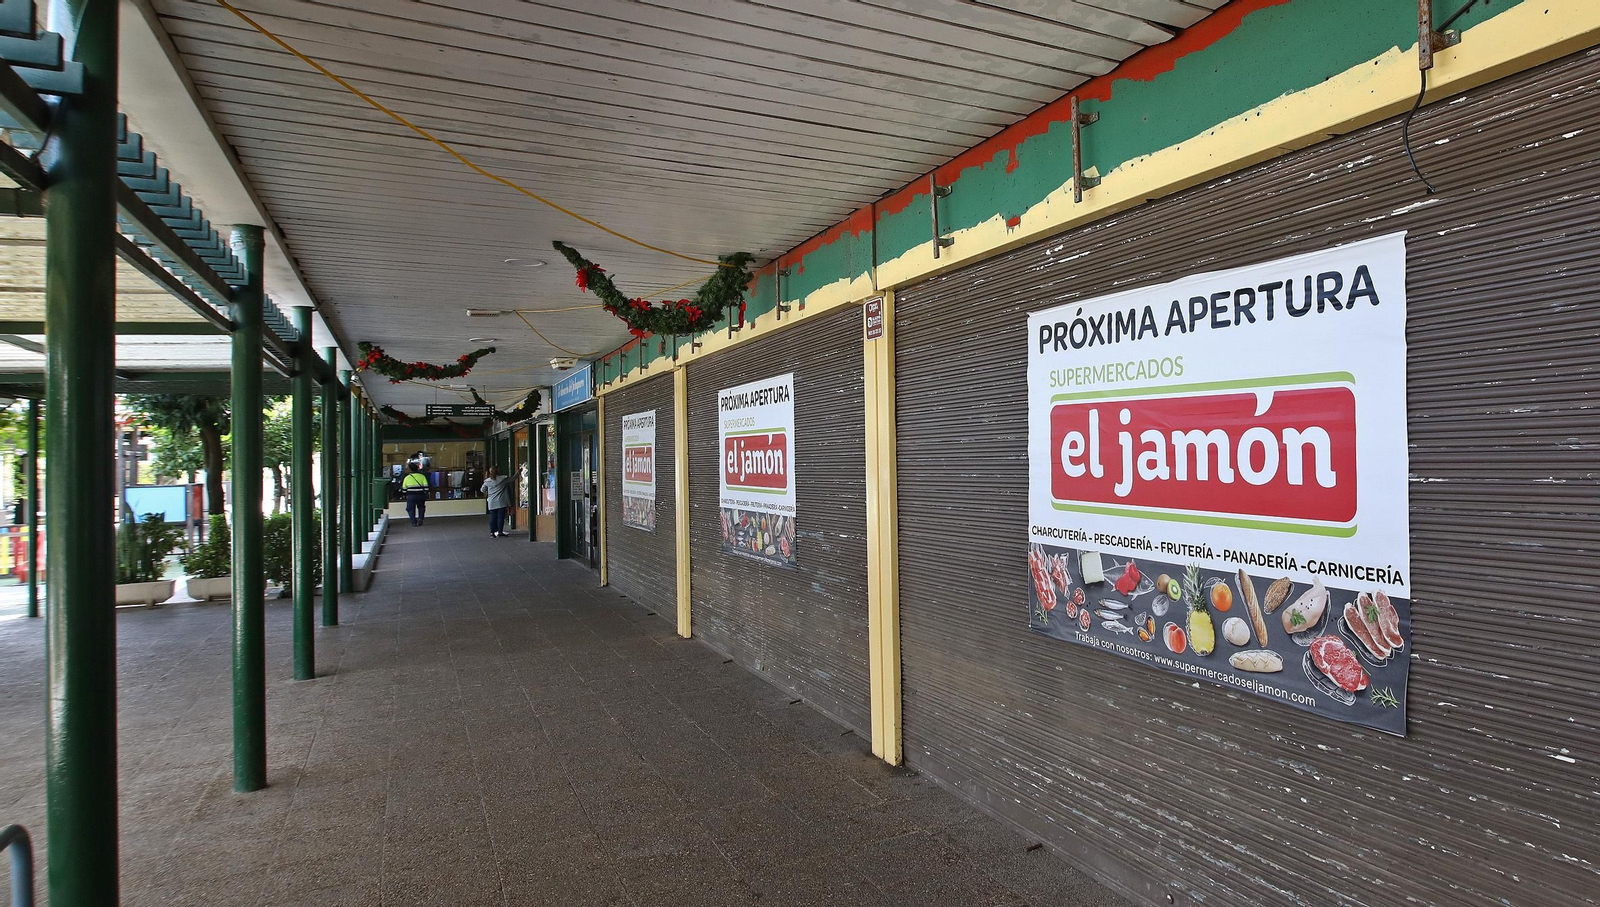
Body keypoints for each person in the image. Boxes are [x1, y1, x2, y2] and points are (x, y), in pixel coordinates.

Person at [481, 466, 512, 538]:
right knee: (500, 517)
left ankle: (492, 533)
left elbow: (482, 490)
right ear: (498, 471)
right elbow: (512, 479)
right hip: (501, 502)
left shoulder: (487, 481)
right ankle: (500, 532)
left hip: (491, 502)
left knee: (492, 517)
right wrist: (518, 472)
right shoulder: (503, 479)